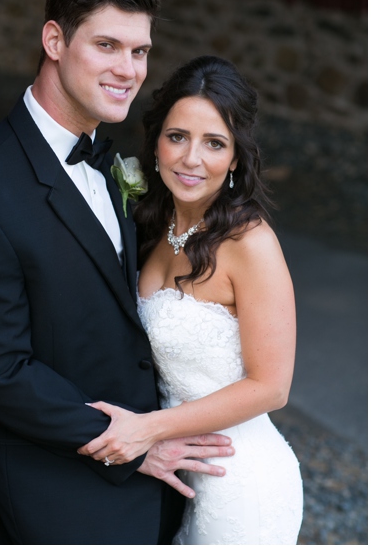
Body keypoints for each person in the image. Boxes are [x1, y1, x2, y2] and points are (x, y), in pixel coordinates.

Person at [0, 0, 235, 544]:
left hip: (159, 486)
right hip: (61, 495)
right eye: (107, 45)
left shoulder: (112, 163)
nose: (128, 70)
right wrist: (132, 446)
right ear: (55, 41)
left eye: (139, 52)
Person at [77, 56, 303, 543]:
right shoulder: (151, 226)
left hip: (238, 482)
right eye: (178, 136)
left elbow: (271, 387)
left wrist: (148, 429)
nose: (191, 158)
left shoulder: (250, 243)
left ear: (236, 157)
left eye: (214, 143)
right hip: (173, 480)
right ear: (156, 142)